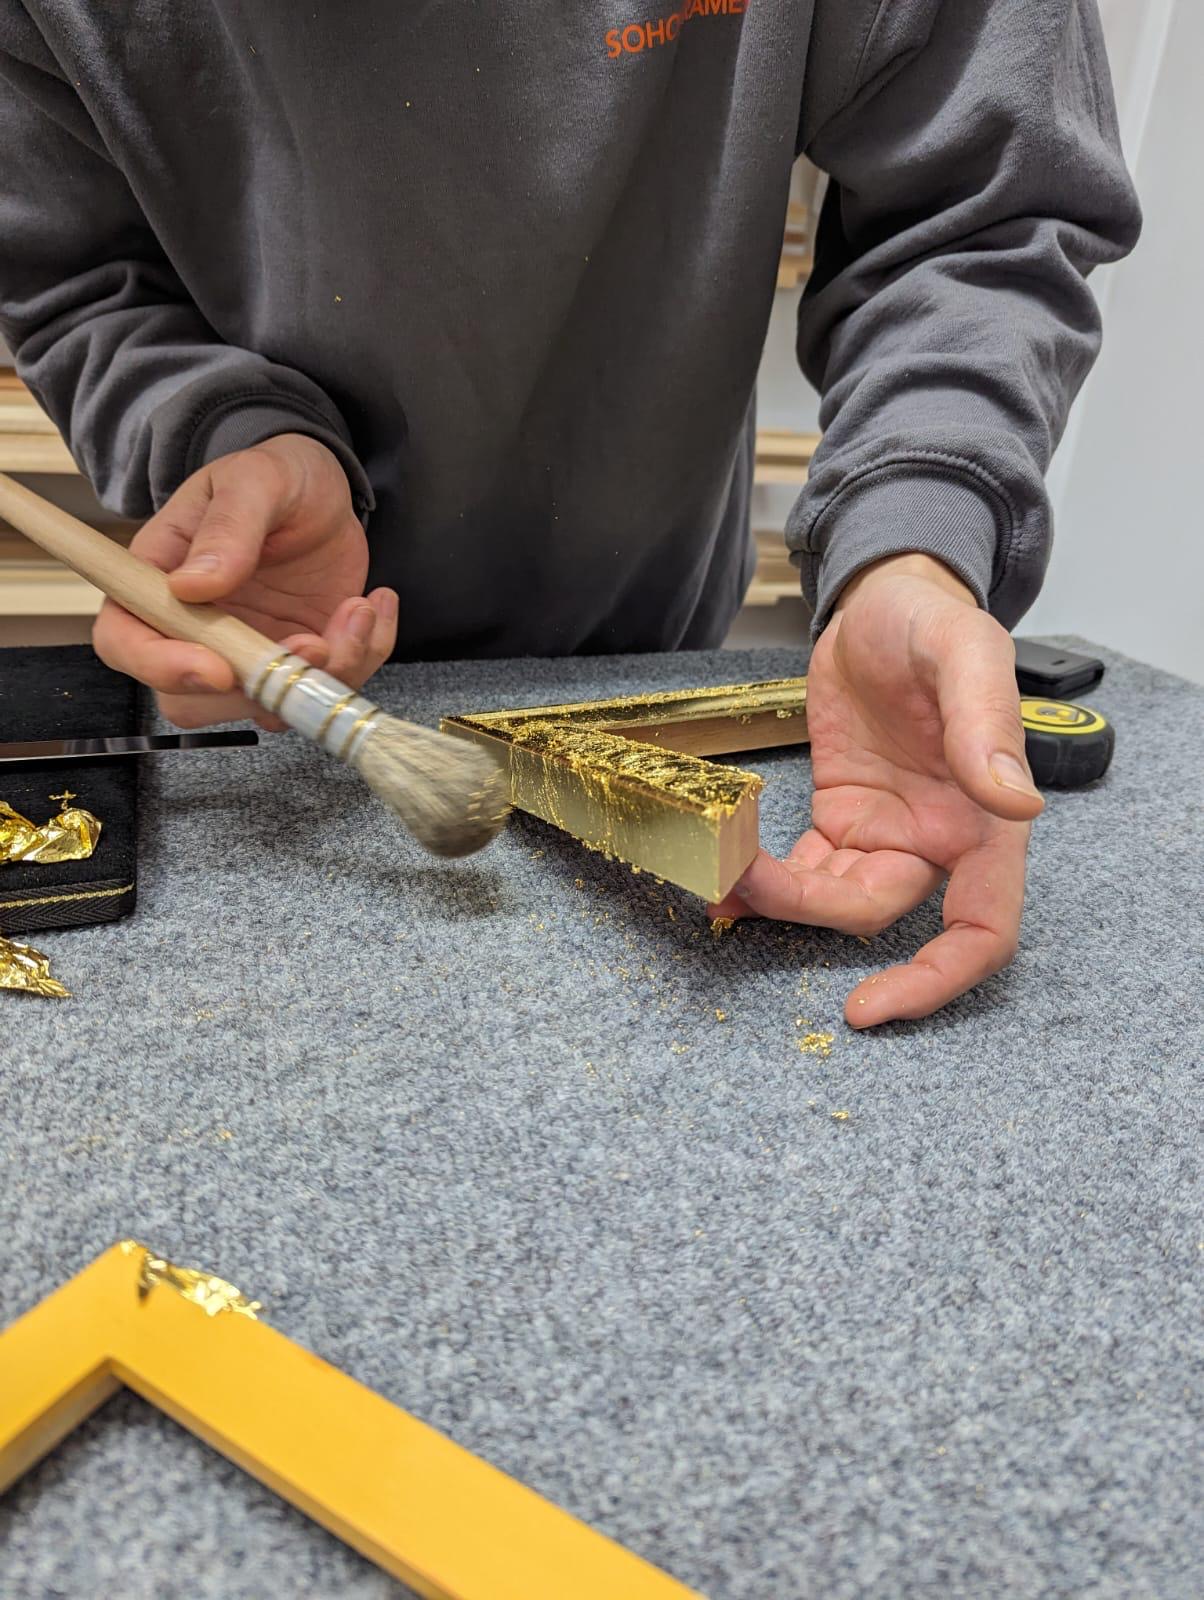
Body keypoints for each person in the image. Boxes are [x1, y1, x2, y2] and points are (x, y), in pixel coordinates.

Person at [0, 1, 1139, 1026]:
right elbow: (73, 274)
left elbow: (983, 210)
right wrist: (226, 430)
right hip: (282, 667)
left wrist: (912, 540)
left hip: (654, 614)